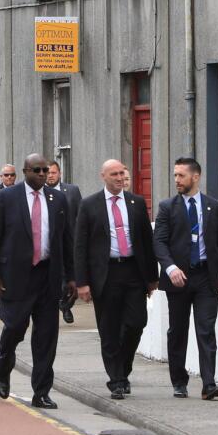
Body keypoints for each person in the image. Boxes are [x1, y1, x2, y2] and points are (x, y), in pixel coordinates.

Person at [0, 154, 76, 408]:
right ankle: (4, 367)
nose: (43, 174)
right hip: (16, 277)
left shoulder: (58, 200)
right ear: (25, 171)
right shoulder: (6, 198)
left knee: (46, 337)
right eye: (37, 170)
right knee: (13, 328)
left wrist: (72, 278)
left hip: (48, 276)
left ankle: (41, 392)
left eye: (46, 170)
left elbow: (66, 241)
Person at [74, 159, 159, 400]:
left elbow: (146, 241)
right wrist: (82, 282)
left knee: (136, 322)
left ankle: (124, 366)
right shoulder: (90, 205)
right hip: (105, 274)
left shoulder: (136, 203)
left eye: (122, 172)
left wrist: (153, 278)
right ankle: (117, 379)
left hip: (133, 271)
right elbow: (80, 246)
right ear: (104, 176)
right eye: (115, 174)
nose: (120, 177)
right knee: (109, 328)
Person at [154, 158, 218, 400]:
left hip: (205, 277)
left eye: (181, 175)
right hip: (178, 278)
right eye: (175, 175)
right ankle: (179, 381)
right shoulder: (167, 207)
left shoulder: (213, 206)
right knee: (178, 330)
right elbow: (159, 241)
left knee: (205, 329)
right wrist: (170, 268)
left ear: (195, 177)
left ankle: (209, 383)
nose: (176, 180)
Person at [45, 161, 82, 324]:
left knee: (73, 279)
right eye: (48, 173)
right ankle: (62, 305)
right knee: (58, 280)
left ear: (59, 173)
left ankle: (66, 304)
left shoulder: (72, 191)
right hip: (50, 245)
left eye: (53, 172)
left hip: (70, 242)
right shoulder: (40, 193)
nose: (50, 176)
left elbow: (80, 215)